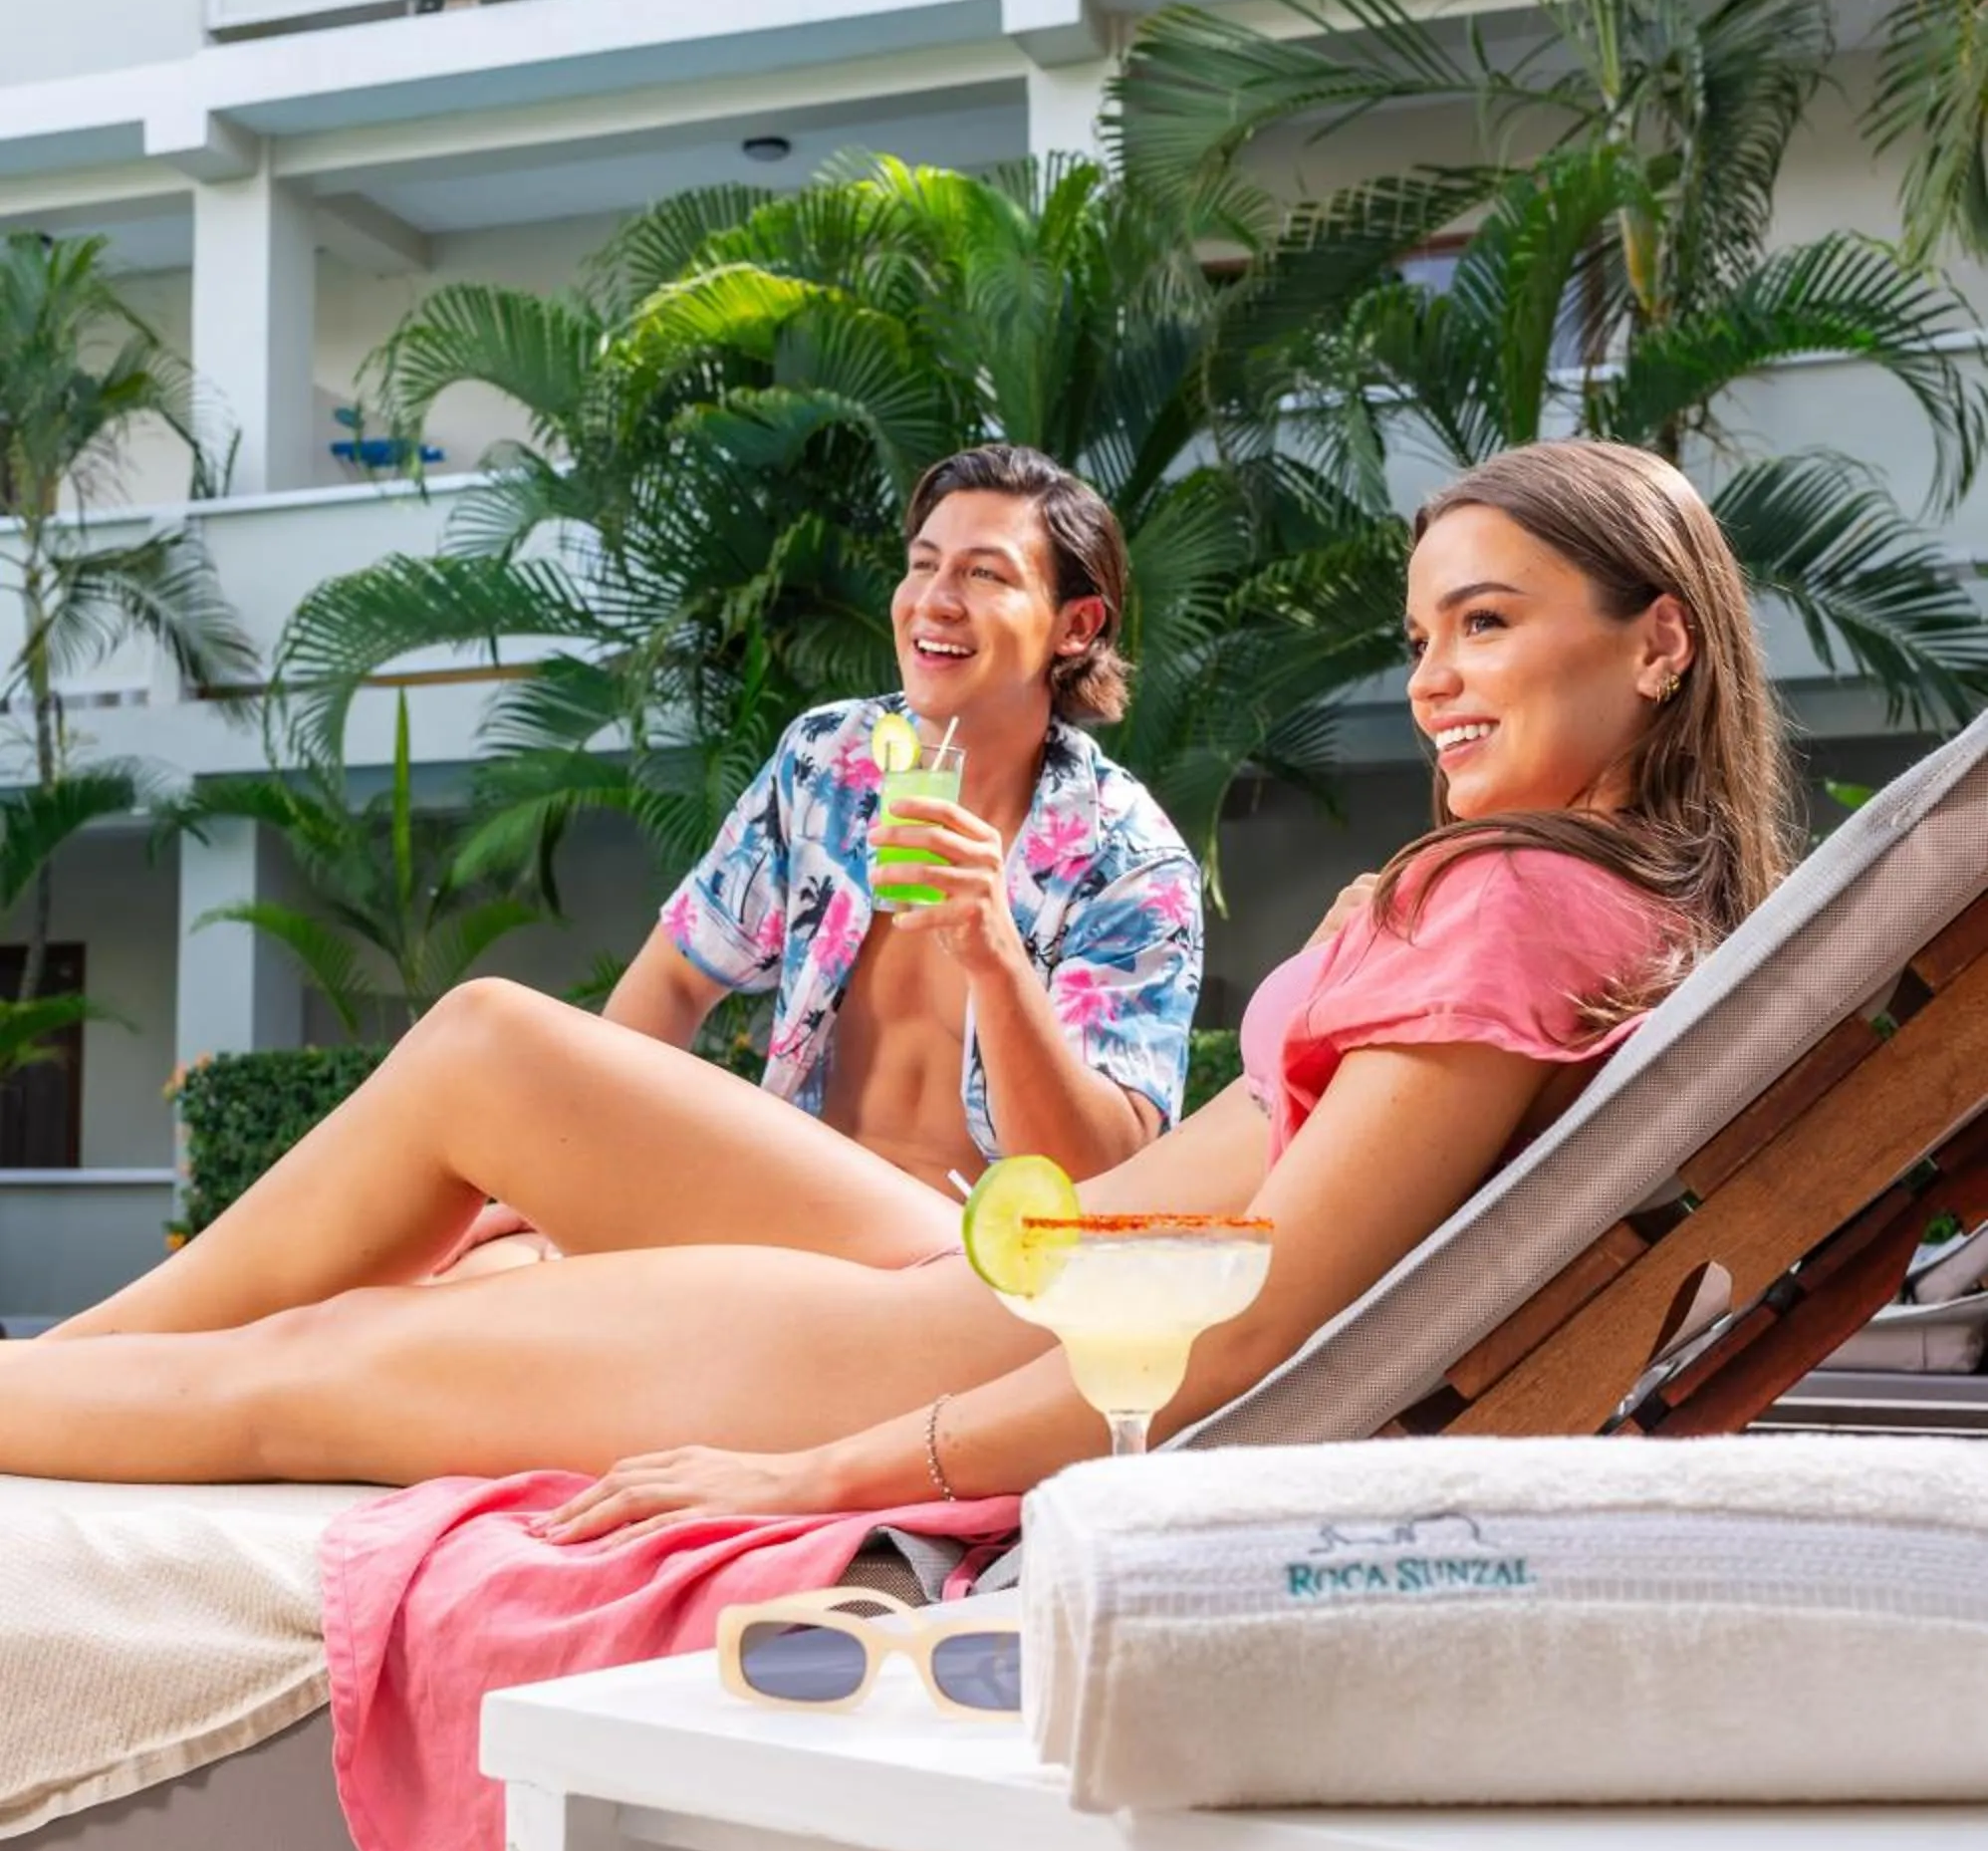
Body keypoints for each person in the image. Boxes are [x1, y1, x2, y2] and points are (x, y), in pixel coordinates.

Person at [25, 439, 1800, 1509]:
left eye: (1484, 625)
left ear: (1657, 644)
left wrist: (841, 1472)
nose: (1430, 681)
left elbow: (1244, 1319)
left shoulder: (1501, 907)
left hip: (922, 1340)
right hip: (963, 1277)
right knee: (486, 1059)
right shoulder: (1592, 905)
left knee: (313, 1372)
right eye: (1422, 637)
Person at [442, 443, 1201, 1280]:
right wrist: (576, 1169)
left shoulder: (1130, 859)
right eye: (922, 566)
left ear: (1076, 626)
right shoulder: (828, 764)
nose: (935, 602)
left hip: (972, 1274)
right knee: (475, 1272)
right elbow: (677, 976)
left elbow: (1100, 1175)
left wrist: (997, 958)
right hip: (780, 1235)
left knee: (483, 1034)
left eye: (985, 575)